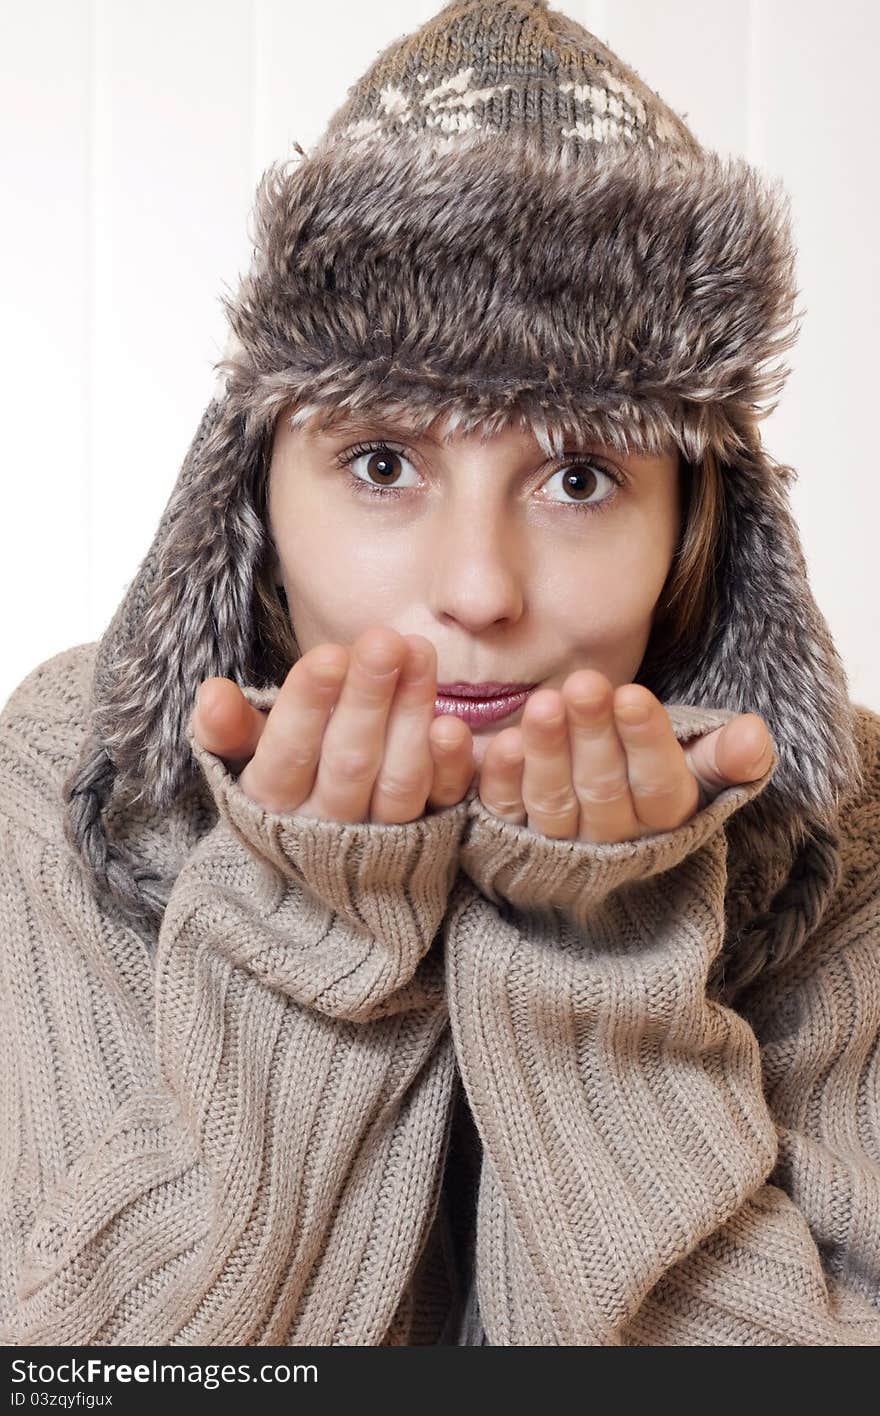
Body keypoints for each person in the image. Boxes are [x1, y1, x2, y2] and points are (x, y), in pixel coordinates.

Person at [0, 0, 877, 1347]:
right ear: (251, 496)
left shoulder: (855, 839)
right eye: (383, 463)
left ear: (697, 525)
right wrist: (314, 944)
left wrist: (606, 960)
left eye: (580, 477)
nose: (480, 586)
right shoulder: (67, 781)